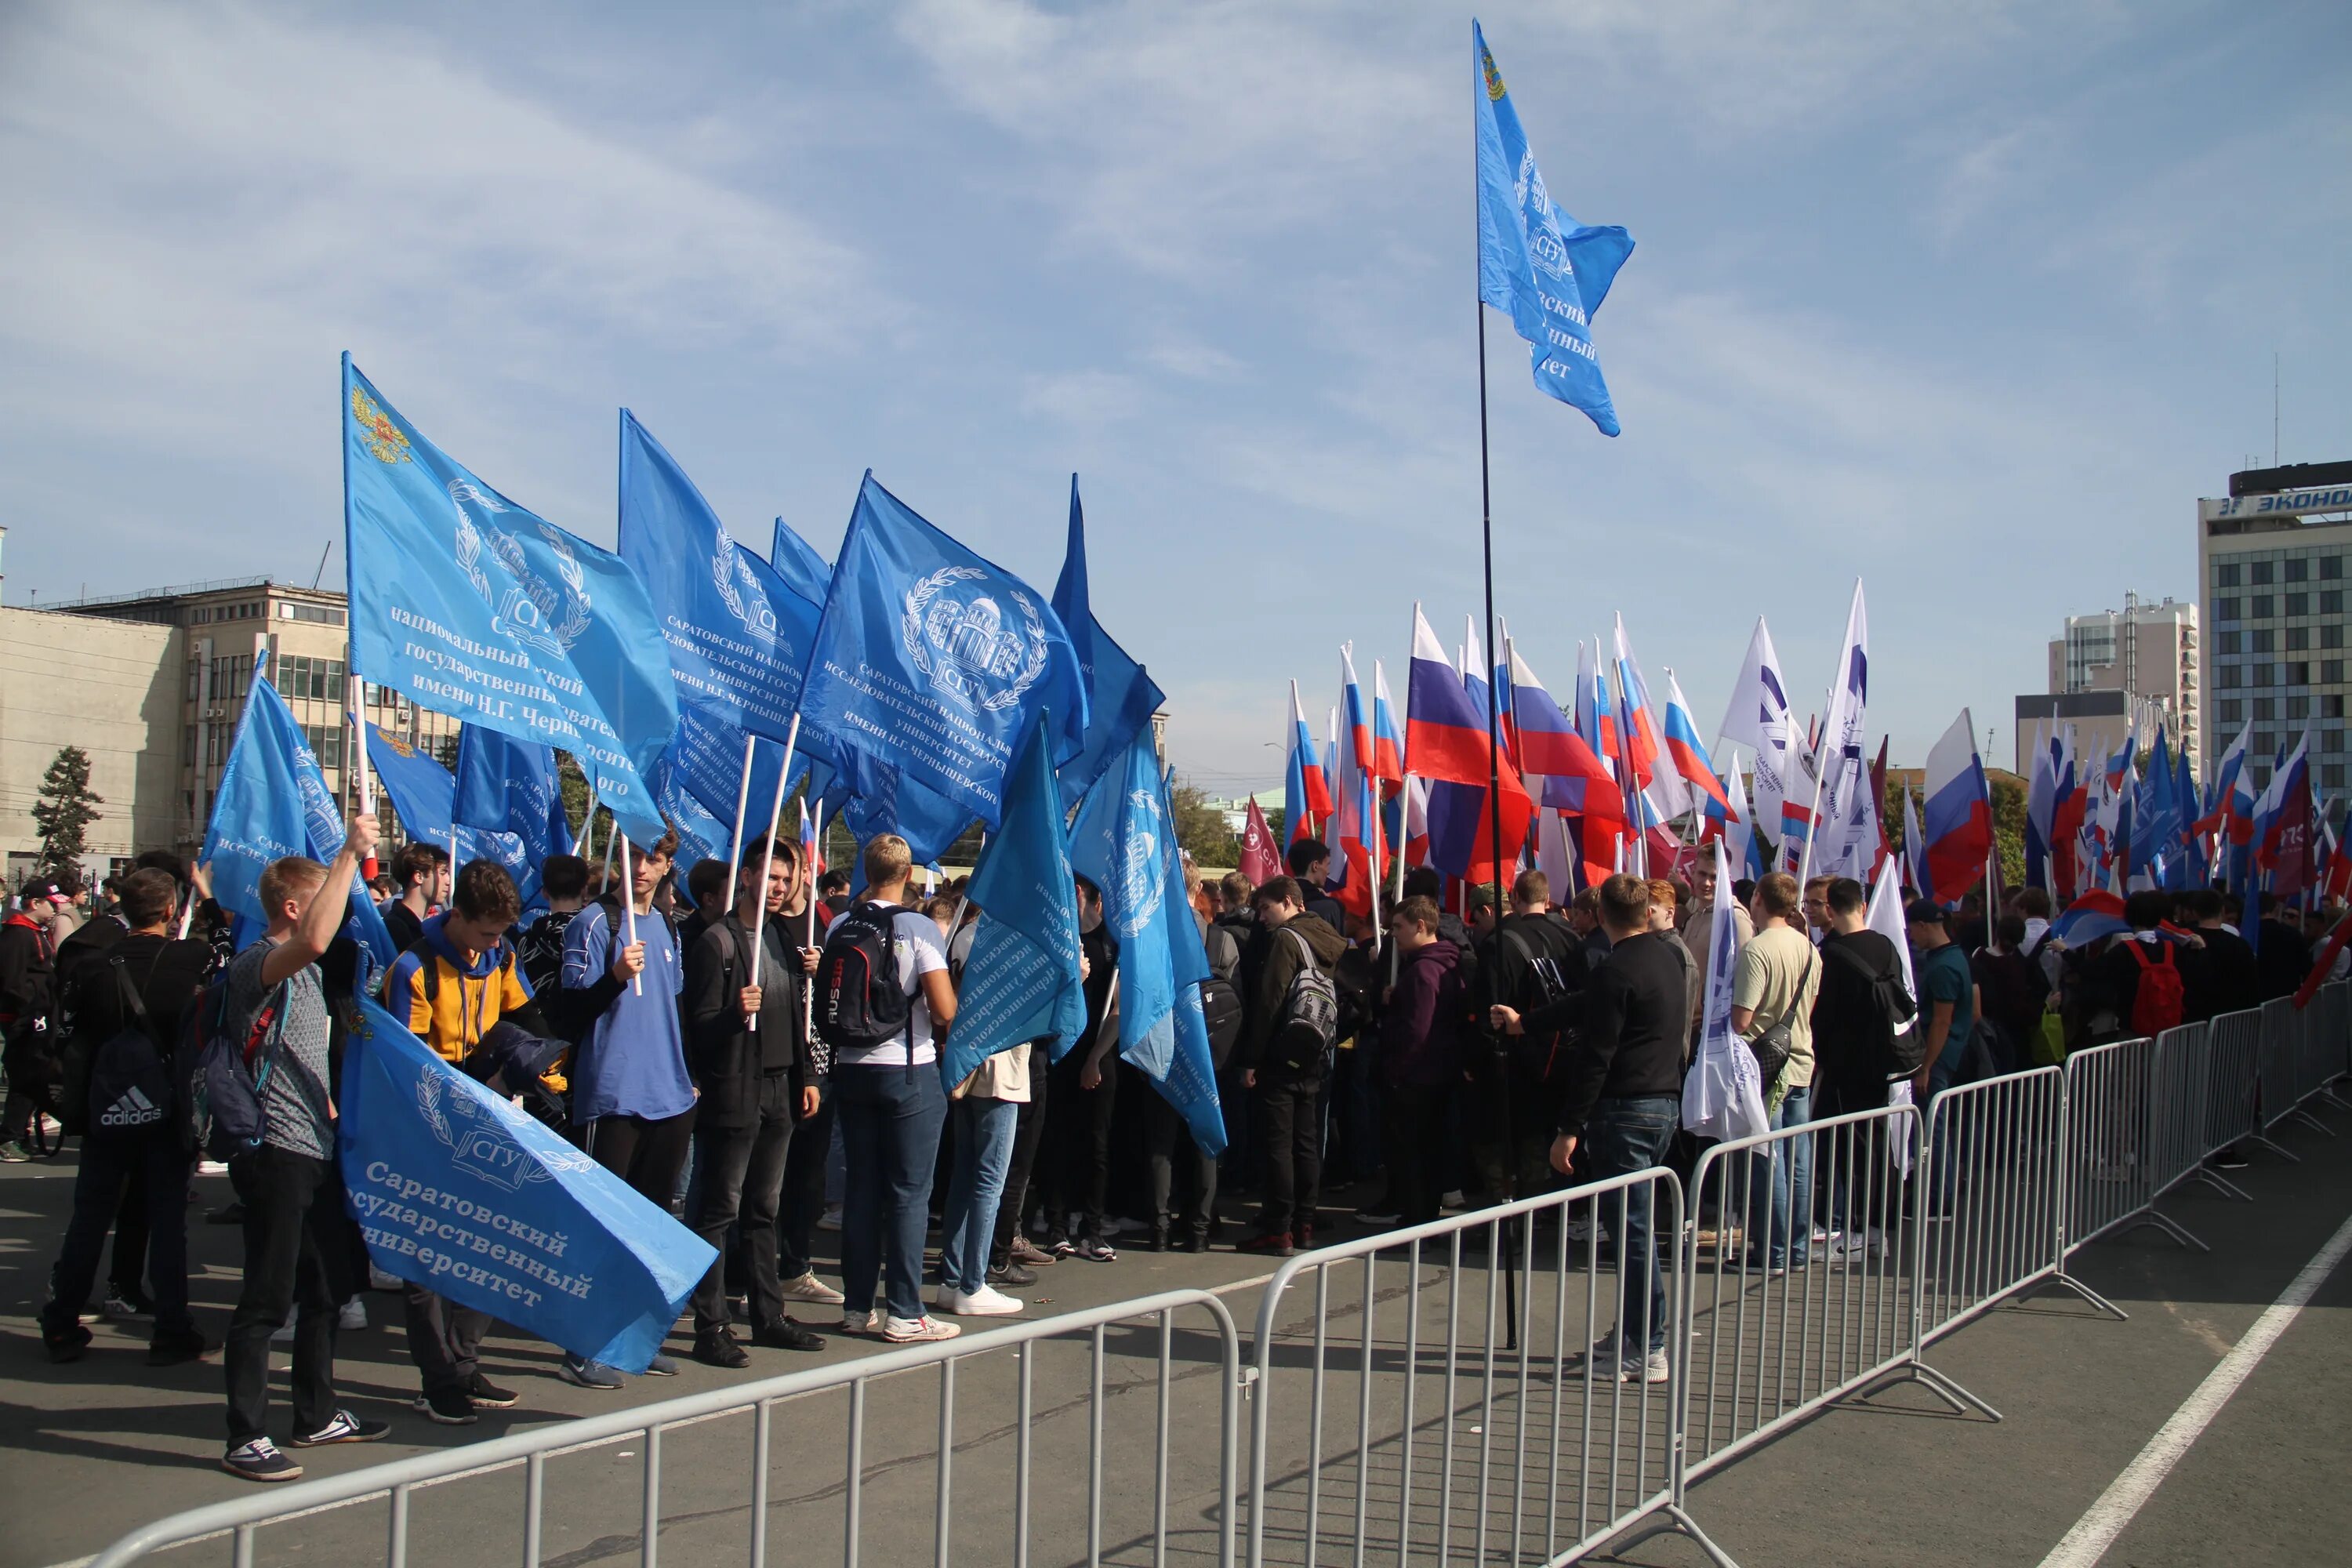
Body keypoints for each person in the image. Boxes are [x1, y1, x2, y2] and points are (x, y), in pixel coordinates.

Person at [220, 818, 392, 1482]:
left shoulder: (313, 979)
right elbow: (319, 936)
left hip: (315, 1148)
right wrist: (349, 851)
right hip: (273, 1152)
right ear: (292, 906)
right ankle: (245, 1434)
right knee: (266, 1296)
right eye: (324, 897)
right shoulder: (256, 966)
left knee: (326, 1287)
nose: (337, 913)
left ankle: (315, 1413)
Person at [1490, 873, 1685, 1383]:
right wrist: (1525, 1022)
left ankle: (1648, 1345)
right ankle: (1637, 1332)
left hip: (1628, 1106)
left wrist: (1569, 1127)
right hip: (1662, 1100)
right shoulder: (1665, 959)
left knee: (1633, 1233)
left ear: (1600, 916)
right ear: (1648, 912)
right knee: (1631, 1229)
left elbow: (1598, 1053)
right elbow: (1586, 1007)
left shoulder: (1617, 968)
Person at [382, 860, 550, 1423]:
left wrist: (548, 1062)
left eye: (501, 934)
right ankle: (437, 1380)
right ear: (457, 915)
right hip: (428, 1123)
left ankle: (465, 1359)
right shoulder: (413, 968)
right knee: (426, 1262)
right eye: (484, 932)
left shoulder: (501, 954)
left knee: (493, 1245)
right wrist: (485, 1084)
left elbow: (527, 1015)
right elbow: (412, 1066)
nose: (492, 945)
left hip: (488, 1113)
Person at [38, 869, 212, 1364]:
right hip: (166, 1105)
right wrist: (208, 897)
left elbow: (66, 1033)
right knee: (166, 1219)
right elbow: (225, 946)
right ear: (169, 911)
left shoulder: (92, 966)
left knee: (90, 1216)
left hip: (106, 1105)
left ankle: (62, 1319)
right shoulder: (187, 959)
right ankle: (172, 1328)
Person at [684, 837, 826, 1365]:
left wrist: (808, 1073)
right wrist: (730, 1013)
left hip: (781, 1087)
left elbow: (795, 1016)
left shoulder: (784, 939)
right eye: (769, 878)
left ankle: (768, 1315)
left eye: (786, 881)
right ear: (745, 877)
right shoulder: (717, 942)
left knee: (765, 1209)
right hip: (735, 1091)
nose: (778, 889)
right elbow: (696, 1030)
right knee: (720, 1209)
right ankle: (711, 1323)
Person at [563, 829, 692, 1385]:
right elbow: (567, 1013)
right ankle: (581, 1344)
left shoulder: (667, 927)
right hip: (612, 1097)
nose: (643, 867)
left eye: (655, 859)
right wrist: (616, 977)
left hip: (669, 1097)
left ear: (668, 867)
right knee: (603, 1228)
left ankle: (631, 1336)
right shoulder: (594, 923)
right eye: (635, 856)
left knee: (649, 1226)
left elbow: (675, 1009)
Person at [822, 834, 959, 1342]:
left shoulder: (841, 923)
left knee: (861, 1188)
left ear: (865, 869)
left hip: (851, 1065)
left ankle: (858, 1306)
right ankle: (905, 1310)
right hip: (906, 1068)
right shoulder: (918, 926)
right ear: (907, 875)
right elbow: (943, 1010)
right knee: (907, 1193)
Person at [1236, 875, 1347, 1257]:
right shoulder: (1329, 936)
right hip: (1318, 1049)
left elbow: (1270, 1002)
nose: (1261, 918)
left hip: (1282, 1052)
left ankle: (1278, 1228)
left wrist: (1252, 1059)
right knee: (1306, 1143)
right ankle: (1304, 1223)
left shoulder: (1286, 940)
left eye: (1265, 908)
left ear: (1288, 901)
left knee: (1279, 1145)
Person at [1468, 869, 1586, 1206]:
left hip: (1515, 1056)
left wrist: (1477, 1057)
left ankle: (1510, 1214)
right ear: (1547, 899)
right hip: (1563, 1053)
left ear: (1515, 898)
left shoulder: (1499, 944)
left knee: (1502, 1139)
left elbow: (1489, 1009)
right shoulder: (1570, 937)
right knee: (1547, 1135)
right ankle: (1550, 1207)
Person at [1809, 877, 1908, 1254]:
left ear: (1831, 910)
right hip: (1880, 1062)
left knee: (1849, 1149)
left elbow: (1824, 1015)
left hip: (1844, 1067)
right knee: (1874, 1145)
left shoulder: (1833, 955)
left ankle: (1858, 1229)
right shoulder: (1884, 945)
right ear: (1861, 906)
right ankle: (1875, 1227)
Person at [1729, 872, 1819, 1274]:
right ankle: (1796, 1248)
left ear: (1760, 899)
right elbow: (1809, 1006)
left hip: (1765, 1068)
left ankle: (1774, 1251)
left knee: (1769, 1162)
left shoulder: (1757, 949)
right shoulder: (1809, 947)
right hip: (1800, 1059)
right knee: (1796, 1160)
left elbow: (1742, 1020)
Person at [1038, 877, 1120, 1261]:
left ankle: (1093, 1229)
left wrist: (1094, 1059)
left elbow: (1120, 1010)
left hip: (1098, 1055)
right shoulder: (1057, 939)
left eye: (1072, 892)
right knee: (1056, 1140)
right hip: (1058, 1052)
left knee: (1097, 1145)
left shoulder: (1113, 943)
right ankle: (1056, 1225)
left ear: (1087, 898)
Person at [1377, 896, 1465, 1225]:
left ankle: (1416, 1221)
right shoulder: (1440, 964)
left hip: (1418, 1078)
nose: (1393, 933)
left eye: (1399, 927)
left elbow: (1418, 1029)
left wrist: (1398, 1073)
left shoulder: (1425, 972)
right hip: (1436, 1073)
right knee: (1428, 1151)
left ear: (1421, 926)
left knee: (1416, 1156)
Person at [0, 874, 73, 1161]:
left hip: (36, 1014)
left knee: (32, 1076)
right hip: (22, 1017)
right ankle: (10, 1137)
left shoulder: (34, 931)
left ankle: (19, 1132)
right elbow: (12, 982)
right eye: (52, 904)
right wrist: (31, 1012)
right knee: (25, 1076)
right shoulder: (17, 934)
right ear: (35, 903)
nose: (56, 910)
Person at [1906, 900, 1979, 1098]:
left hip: (1937, 1056)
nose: (1911, 938)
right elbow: (1975, 1012)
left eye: (1911, 931)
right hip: (1950, 1052)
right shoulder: (1956, 955)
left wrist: (1925, 1067)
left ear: (1922, 926)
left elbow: (1942, 1021)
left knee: (1933, 1122)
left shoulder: (1943, 967)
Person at [379, 843, 450, 955]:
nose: (448, 881)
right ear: (419, 877)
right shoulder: (396, 928)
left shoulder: (430, 927)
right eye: (443, 873)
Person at [677, 858, 734, 953]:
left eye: (742, 892)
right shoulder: (684, 940)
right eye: (733, 894)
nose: (740, 900)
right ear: (709, 899)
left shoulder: (740, 930)